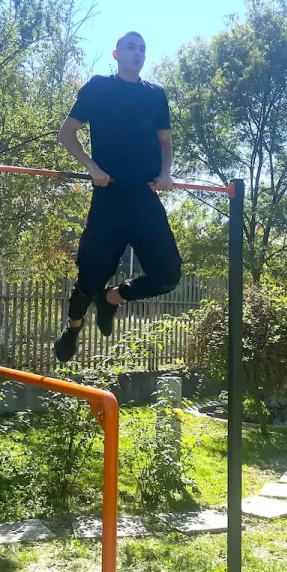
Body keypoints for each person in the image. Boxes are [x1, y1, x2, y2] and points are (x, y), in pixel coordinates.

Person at [54, 31, 182, 362]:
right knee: (90, 279)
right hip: (109, 196)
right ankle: (74, 326)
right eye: (131, 47)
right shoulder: (99, 87)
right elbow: (66, 134)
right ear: (116, 54)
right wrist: (92, 167)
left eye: (142, 48)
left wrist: (166, 173)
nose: (138, 53)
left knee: (168, 276)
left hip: (144, 196)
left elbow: (165, 142)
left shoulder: (155, 94)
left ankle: (113, 298)